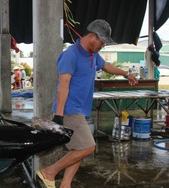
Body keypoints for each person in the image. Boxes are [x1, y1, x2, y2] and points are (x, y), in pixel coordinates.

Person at [36, 19, 138, 188]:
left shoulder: (93, 55)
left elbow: (106, 66)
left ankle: (66, 184)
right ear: (92, 36)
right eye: (102, 42)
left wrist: (126, 74)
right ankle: (49, 172)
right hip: (70, 110)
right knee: (88, 147)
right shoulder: (70, 55)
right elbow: (63, 85)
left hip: (79, 109)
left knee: (78, 150)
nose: (103, 46)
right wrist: (59, 116)